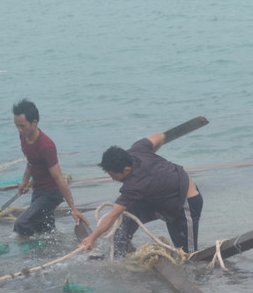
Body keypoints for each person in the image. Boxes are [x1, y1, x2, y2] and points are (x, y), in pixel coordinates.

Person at [80, 130, 202, 256]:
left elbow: (113, 214)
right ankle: (118, 255)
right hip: (157, 197)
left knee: (187, 253)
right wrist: (151, 160)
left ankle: (196, 270)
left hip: (185, 201)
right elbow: (160, 136)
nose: (113, 179)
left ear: (126, 169)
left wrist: (92, 238)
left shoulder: (134, 184)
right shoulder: (138, 150)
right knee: (126, 218)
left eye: (114, 175)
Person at [12, 99, 88, 237]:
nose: (19, 129)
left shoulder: (46, 146)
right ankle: (53, 252)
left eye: (22, 126)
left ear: (34, 122)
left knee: (21, 224)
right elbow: (31, 161)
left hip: (51, 193)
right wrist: (24, 181)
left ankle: (26, 255)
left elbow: (59, 179)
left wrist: (73, 208)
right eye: (16, 126)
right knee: (45, 231)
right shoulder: (24, 136)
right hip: (38, 191)